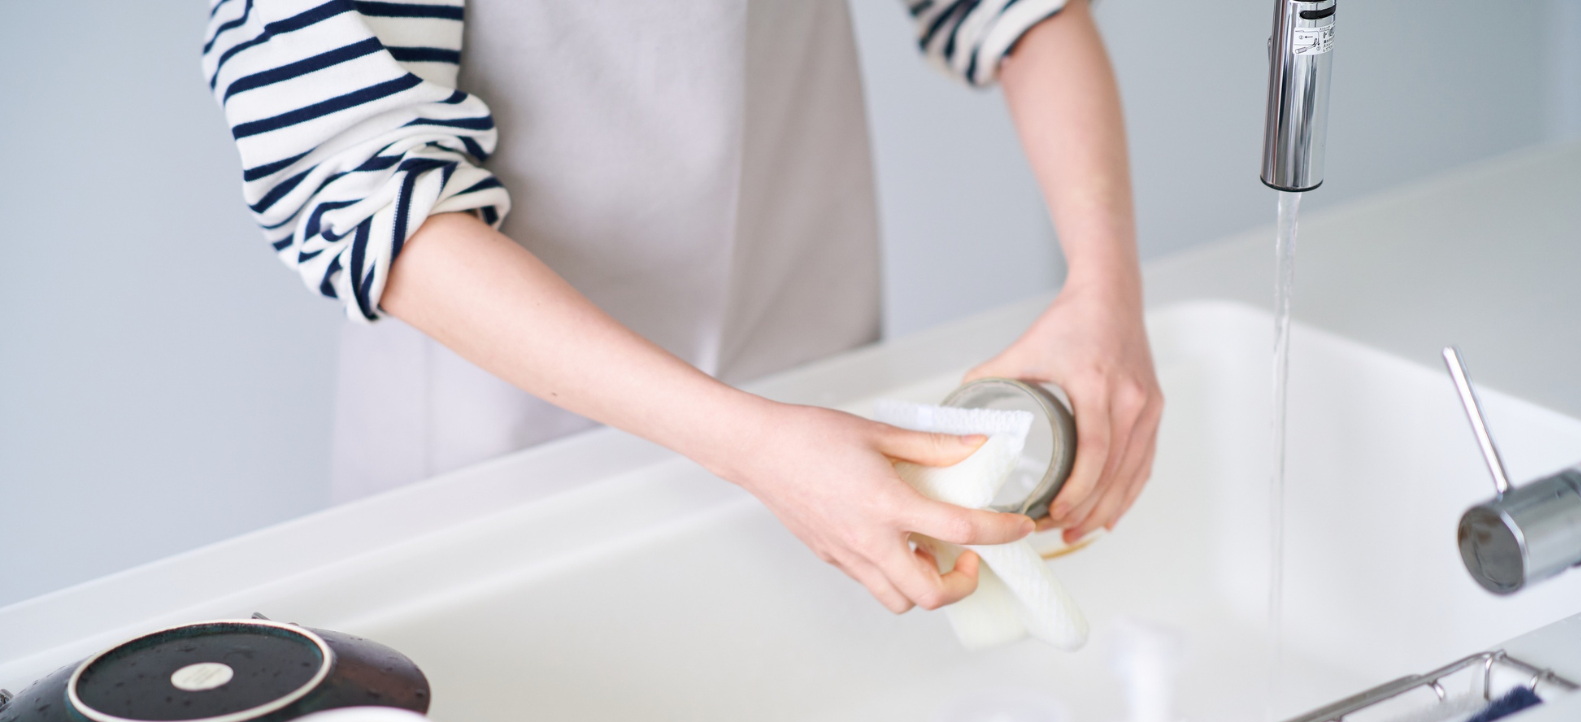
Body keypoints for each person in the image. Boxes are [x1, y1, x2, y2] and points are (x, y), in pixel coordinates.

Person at [201, 0, 1162, 617]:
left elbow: (1014, 7)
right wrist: (750, 443)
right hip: (506, 451)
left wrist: (1106, 288)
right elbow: (360, 180)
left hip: (821, 392)